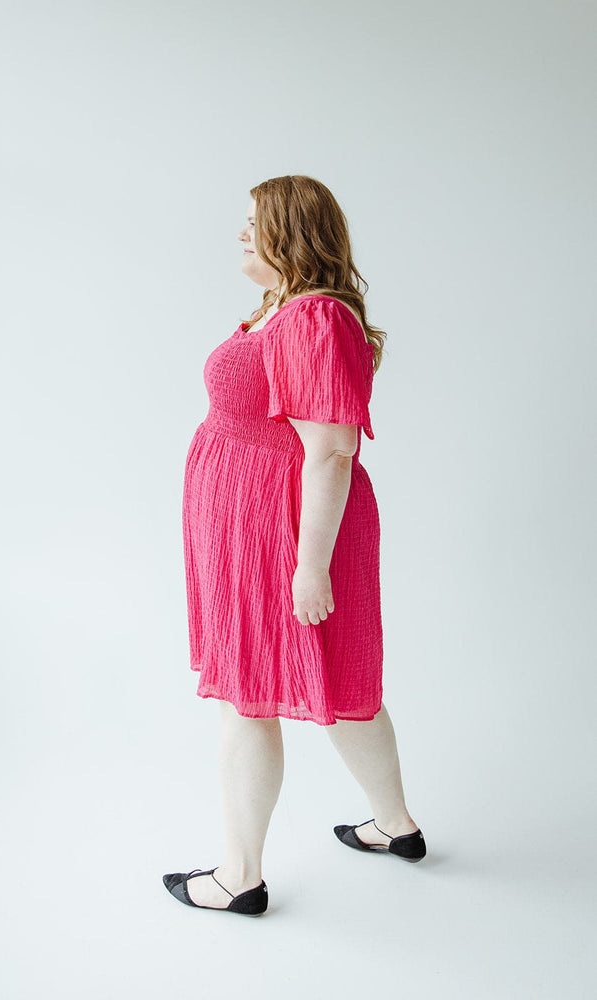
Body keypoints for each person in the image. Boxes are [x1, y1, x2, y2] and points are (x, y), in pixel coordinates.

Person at [162, 175, 425, 916]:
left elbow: (332, 449)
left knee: (249, 698)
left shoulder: (312, 318)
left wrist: (309, 566)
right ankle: (393, 826)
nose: (242, 233)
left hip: (282, 534)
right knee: (338, 682)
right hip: (254, 526)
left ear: (292, 231)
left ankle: (237, 877)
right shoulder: (282, 311)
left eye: (255, 222)